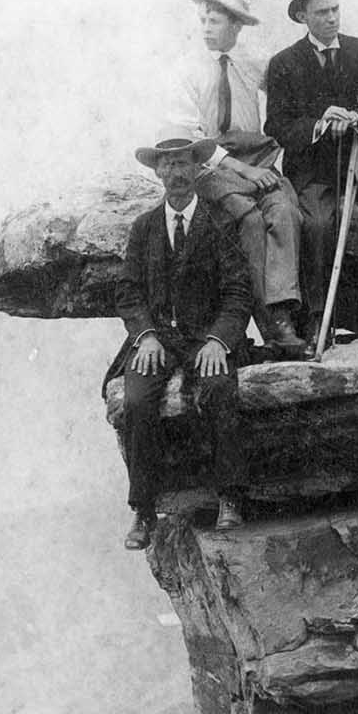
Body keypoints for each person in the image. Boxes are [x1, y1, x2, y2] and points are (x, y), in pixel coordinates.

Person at [111, 137, 253, 550]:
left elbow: (238, 292)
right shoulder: (143, 227)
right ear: (157, 173)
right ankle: (143, 509)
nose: (176, 173)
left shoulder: (220, 222)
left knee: (219, 387)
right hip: (158, 339)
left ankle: (229, 496)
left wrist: (217, 341)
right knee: (137, 401)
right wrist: (146, 336)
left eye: (183, 163)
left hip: (204, 337)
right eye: (168, 165)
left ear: (196, 170)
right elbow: (128, 292)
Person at [166, 0, 306, 356]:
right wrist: (241, 170)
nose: (206, 28)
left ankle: (286, 312)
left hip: (256, 158)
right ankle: (271, 323)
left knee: (284, 209)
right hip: (212, 165)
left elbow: (290, 83)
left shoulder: (251, 60)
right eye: (203, 20)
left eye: (215, 21)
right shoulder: (188, 69)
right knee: (250, 219)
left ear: (236, 27)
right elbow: (189, 138)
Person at [264, 0, 358, 349]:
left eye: (335, 10)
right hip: (312, 168)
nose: (332, 18)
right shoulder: (284, 63)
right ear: (301, 16)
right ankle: (315, 316)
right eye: (322, 12)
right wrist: (321, 124)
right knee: (318, 225)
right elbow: (277, 125)